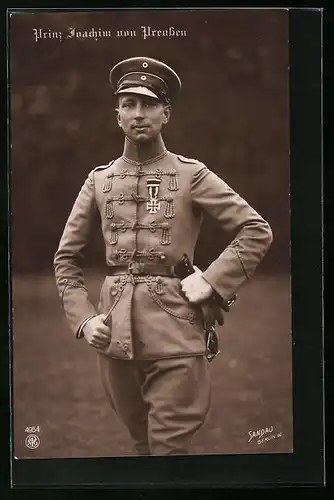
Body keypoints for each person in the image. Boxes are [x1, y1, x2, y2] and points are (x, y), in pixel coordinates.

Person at [54, 56, 273, 456]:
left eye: (149, 104)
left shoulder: (192, 175)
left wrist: (211, 280)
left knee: (169, 451)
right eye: (128, 104)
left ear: (165, 113)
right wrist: (84, 320)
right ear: (116, 114)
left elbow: (256, 229)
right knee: (142, 447)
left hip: (177, 330)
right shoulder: (99, 181)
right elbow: (65, 259)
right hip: (114, 335)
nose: (138, 114)